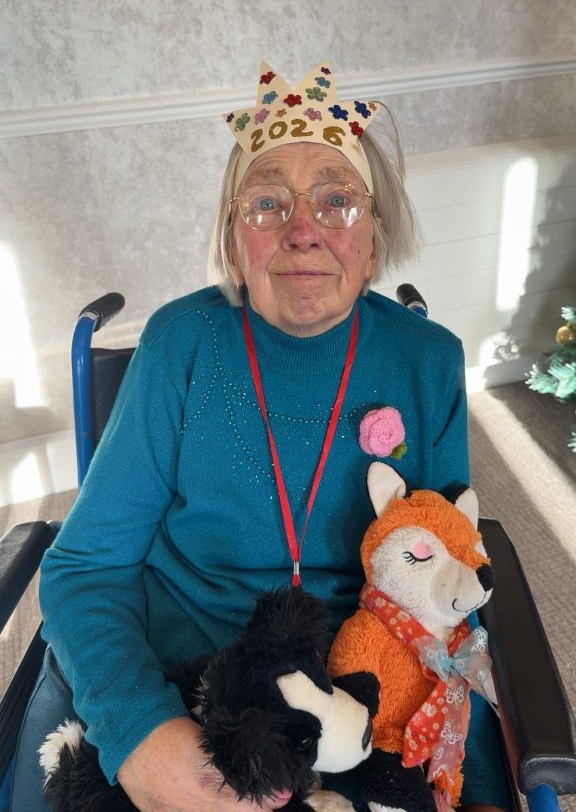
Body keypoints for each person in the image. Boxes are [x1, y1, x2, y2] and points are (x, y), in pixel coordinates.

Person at [10, 62, 509, 812]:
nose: (303, 229)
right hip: (182, 680)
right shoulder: (179, 346)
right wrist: (143, 734)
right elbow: (83, 570)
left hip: (363, 696)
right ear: (234, 240)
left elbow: (445, 575)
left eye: (338, 201)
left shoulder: (425, 359)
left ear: (374, 240)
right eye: (268, 202)